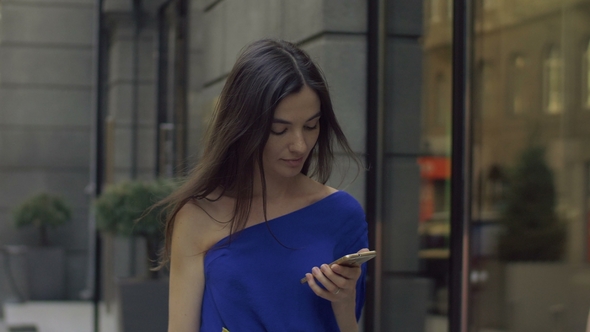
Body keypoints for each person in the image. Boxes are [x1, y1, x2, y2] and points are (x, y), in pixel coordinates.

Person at [158, 38, 369, 332]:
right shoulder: (198, 216)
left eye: (311, 126)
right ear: (243, 126)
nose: (299, 144)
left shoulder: (342, 214)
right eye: (279, 130)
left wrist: (344, 301)